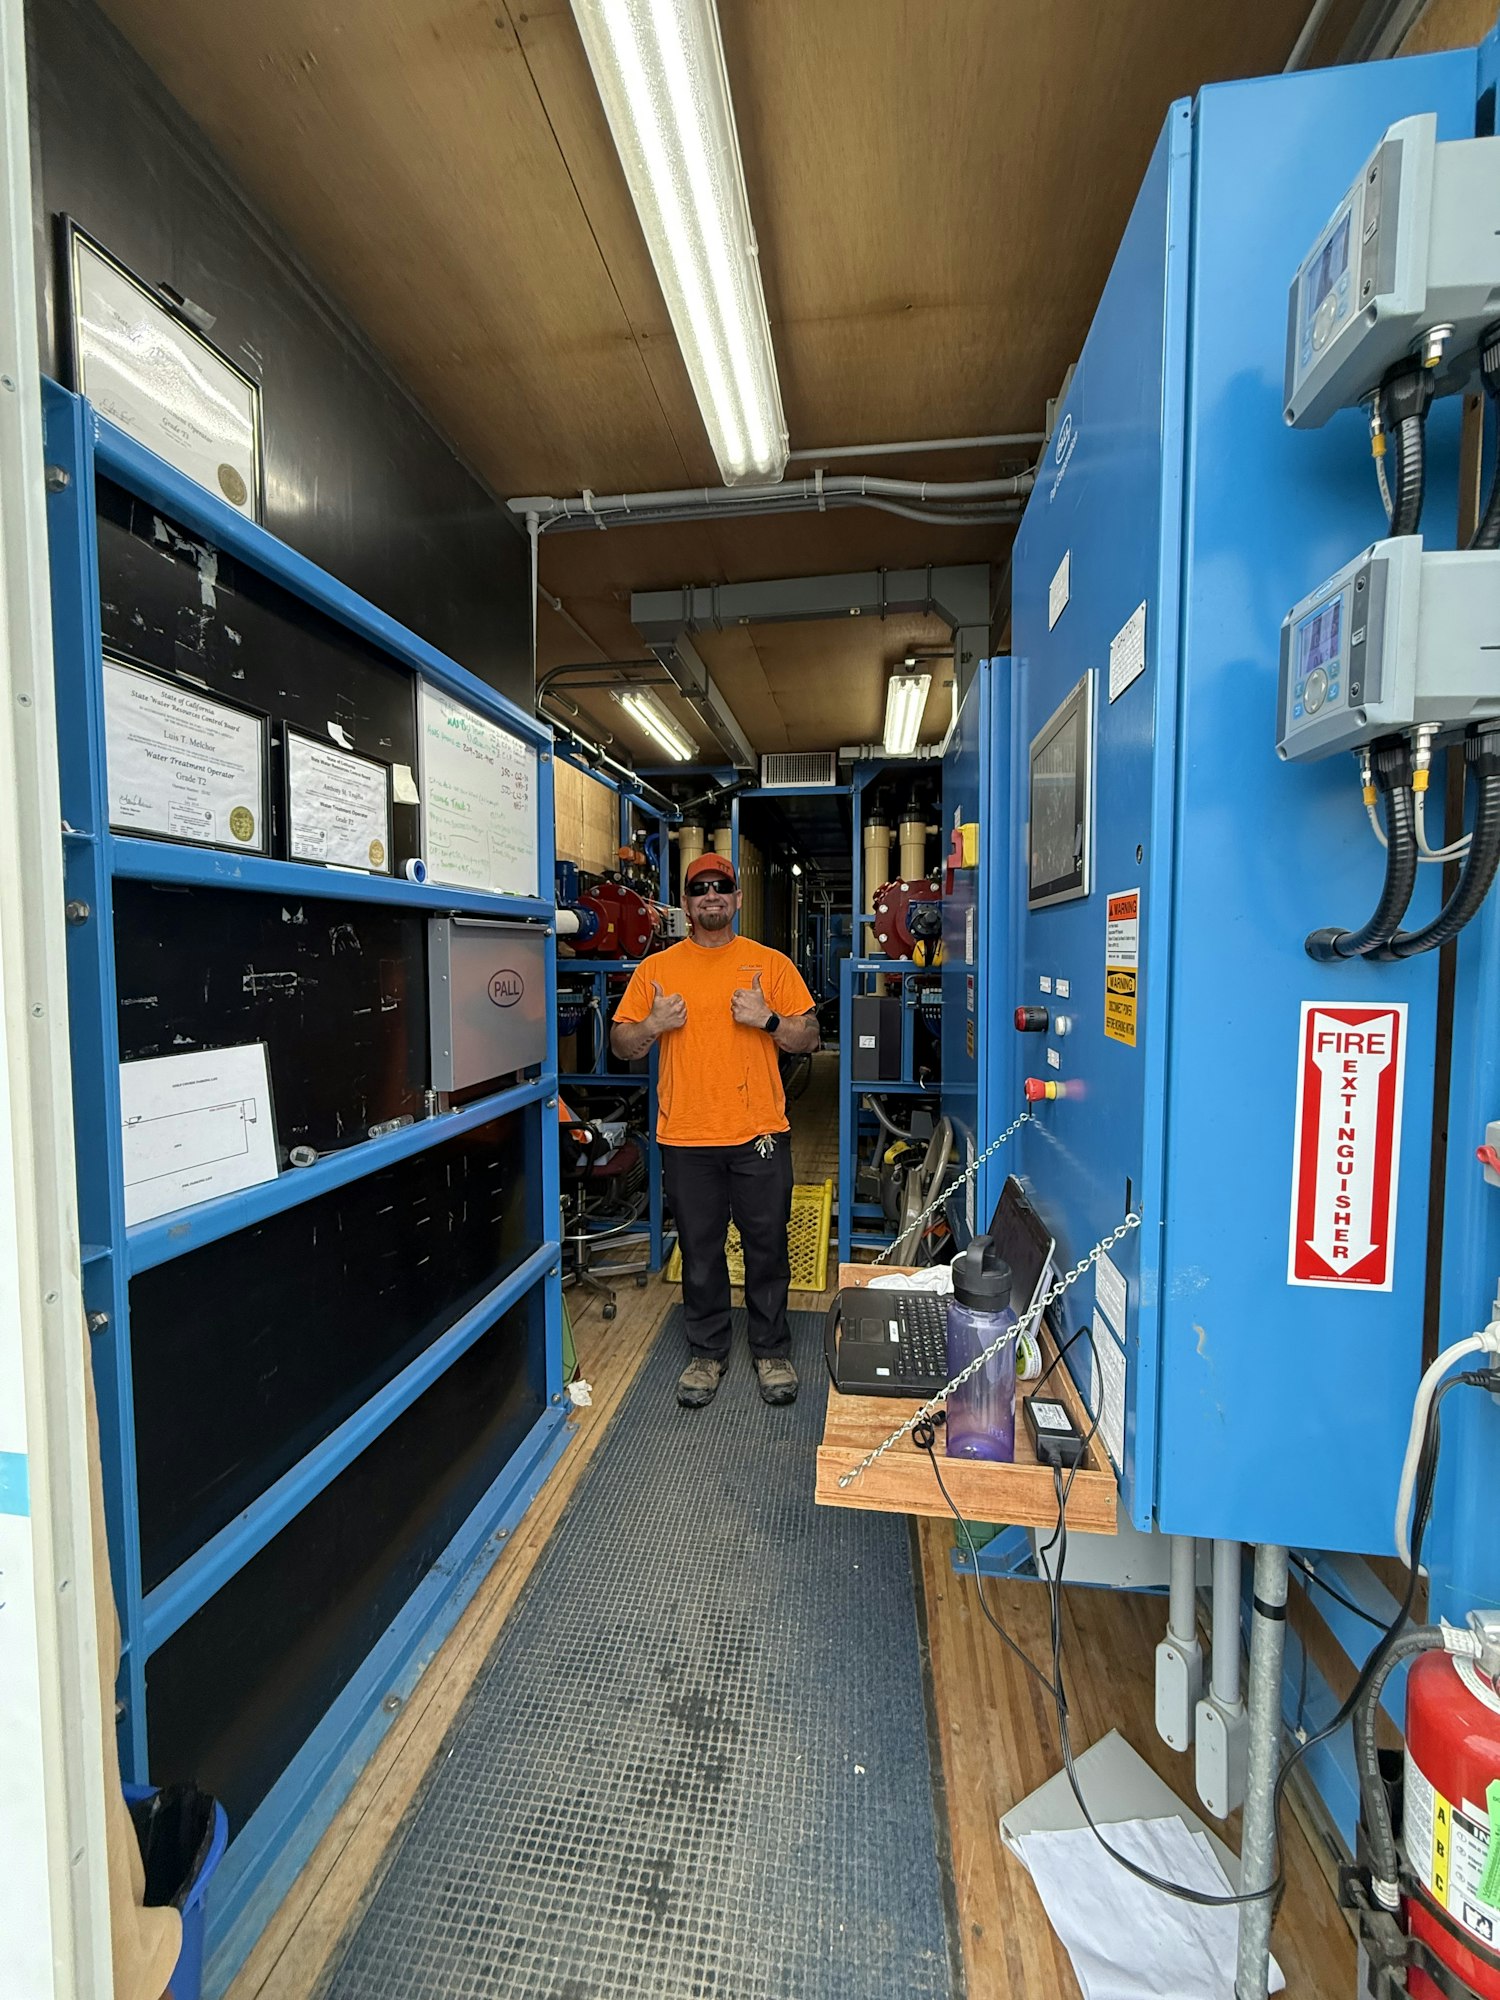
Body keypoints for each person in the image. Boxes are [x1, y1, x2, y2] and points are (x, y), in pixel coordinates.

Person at [611, 853, 820, 1408]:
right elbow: (622, 1044)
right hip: (686, 1137)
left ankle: (770, 1350)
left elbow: (810, 1036)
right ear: (685, 903)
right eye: (700, 888)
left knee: (767, 1246)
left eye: (721, 886)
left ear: (737, 898)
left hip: (758, 1134)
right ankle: (707, 1353)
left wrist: (768, 1019)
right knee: (700, 1251)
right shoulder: (656, 971)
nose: (711, 895)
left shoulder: (770, 965)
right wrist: (653, 1024)